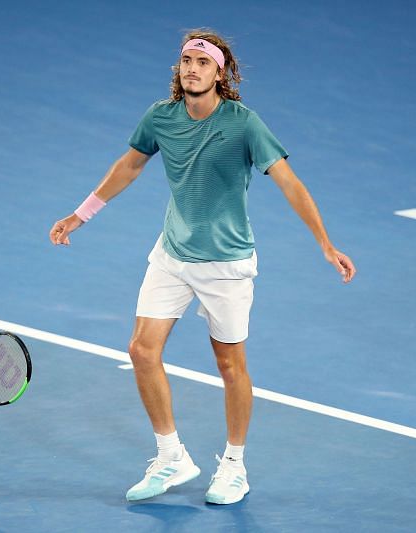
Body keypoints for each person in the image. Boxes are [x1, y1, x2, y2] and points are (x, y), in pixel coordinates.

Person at [49, 29, 356, 505]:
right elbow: (129, 166)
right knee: (141, 350)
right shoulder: (161, 117)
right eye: (186, 61)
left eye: (202, 63)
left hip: (226, 265)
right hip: (172, 255)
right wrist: (80, 214)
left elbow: (291, 184)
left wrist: (325, 244)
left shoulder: (244, 124)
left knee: (230, 365)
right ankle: (171, 456)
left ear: (220, 73)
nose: (192, 69)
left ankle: (234, 466)